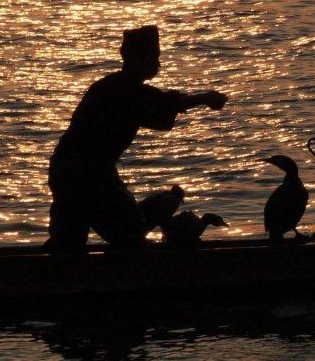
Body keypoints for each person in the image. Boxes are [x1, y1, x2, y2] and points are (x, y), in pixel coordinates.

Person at [46, 25, 227, 252]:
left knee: (69, 241)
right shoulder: (124, 91)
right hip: (86, 175)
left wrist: (194, 100)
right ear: (135, 59)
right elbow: (162, 105)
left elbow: (161, 106)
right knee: (127, 232)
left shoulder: (114, 87)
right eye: (153, 58)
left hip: (71, 171)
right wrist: (204, 98)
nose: (158, 64)